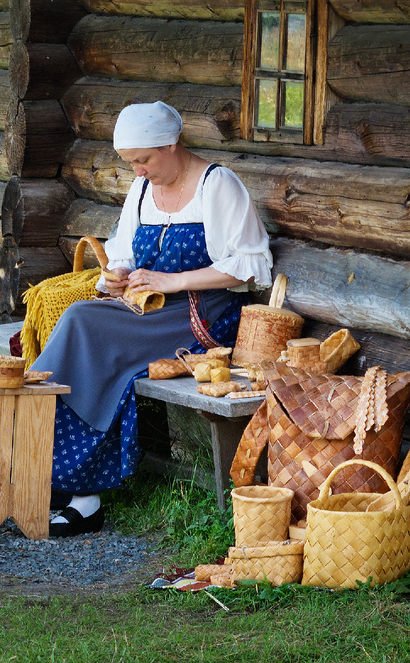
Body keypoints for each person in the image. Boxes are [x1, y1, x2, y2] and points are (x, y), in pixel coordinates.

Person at [31, 100, 273, 537]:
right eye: (130, 163)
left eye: (143, 160)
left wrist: (172, 281)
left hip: (202, 318)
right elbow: (121, 252)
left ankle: (54, 471)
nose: (137, 171)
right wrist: (116, 277)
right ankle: (38, 455)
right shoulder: (142, 190)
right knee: (84, 322)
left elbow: (250, 266)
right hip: (149, 312)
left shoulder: (216, 185)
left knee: (85, 324)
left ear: (172, 143)